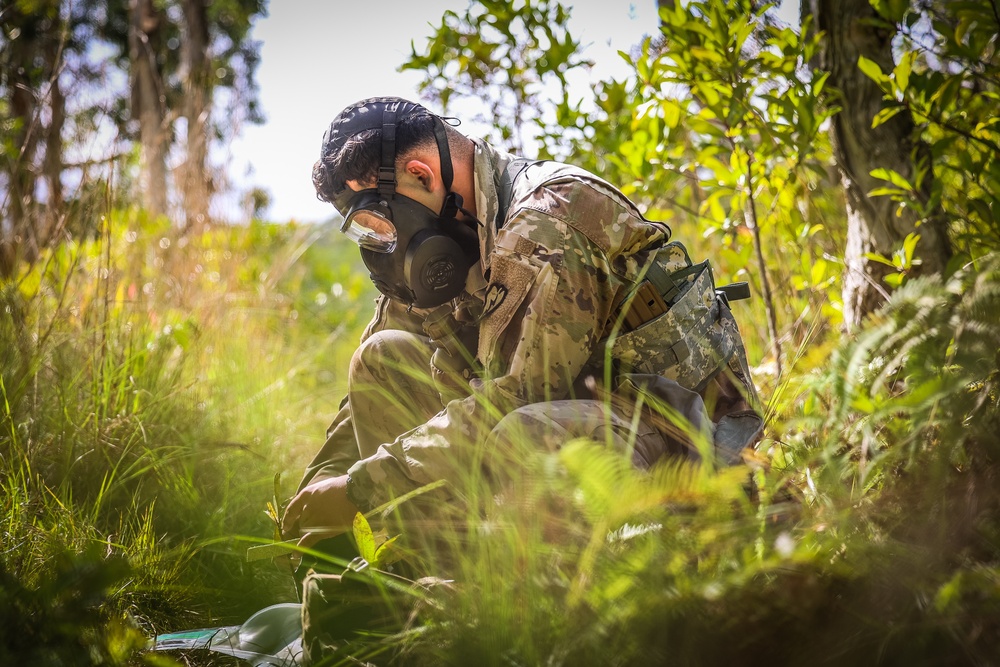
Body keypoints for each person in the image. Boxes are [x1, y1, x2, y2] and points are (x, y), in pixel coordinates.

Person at [280, 96, 762, 627]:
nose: (383, 245)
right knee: (383, 361)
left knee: (521, 430)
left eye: (381, 225)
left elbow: (513, 398)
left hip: (681, 442)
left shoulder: (547, 221)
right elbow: (364, 395)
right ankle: (421, 580)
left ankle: (508, 609)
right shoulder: (452, 234)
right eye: (367, 234)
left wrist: (360, 489)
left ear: (420, 174)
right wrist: (316, 513)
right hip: (571, 417)